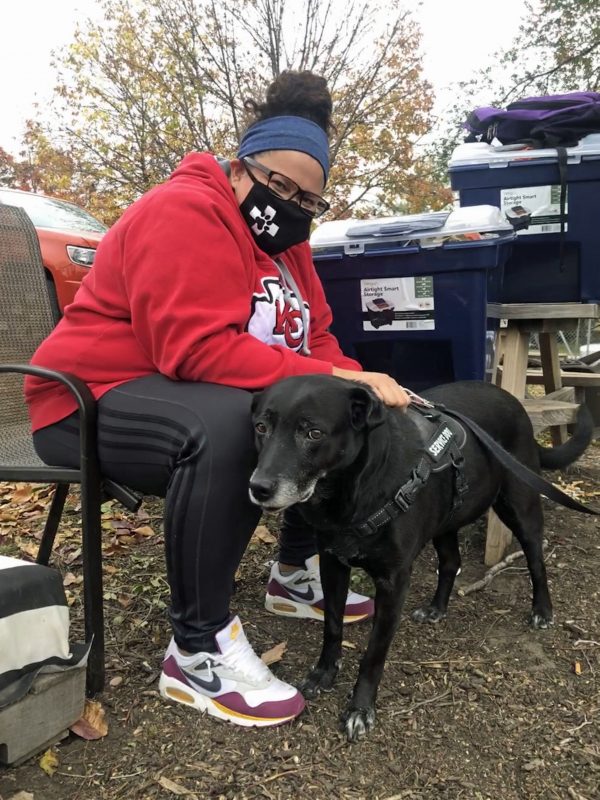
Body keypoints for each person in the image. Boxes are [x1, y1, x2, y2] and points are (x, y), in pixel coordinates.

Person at [25, 70, 410, 728]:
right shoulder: (184, 210)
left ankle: (295, 569)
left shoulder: (291, 250)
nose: (287, 205)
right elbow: (193, 350)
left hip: (168, 397)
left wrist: (369, 387)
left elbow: (316, 340)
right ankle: (197, 650)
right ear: (239, 168)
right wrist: (340, 382)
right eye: (276, 185)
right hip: (85, 400)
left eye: (306, 199)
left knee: (336, 414)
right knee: (239, 423)